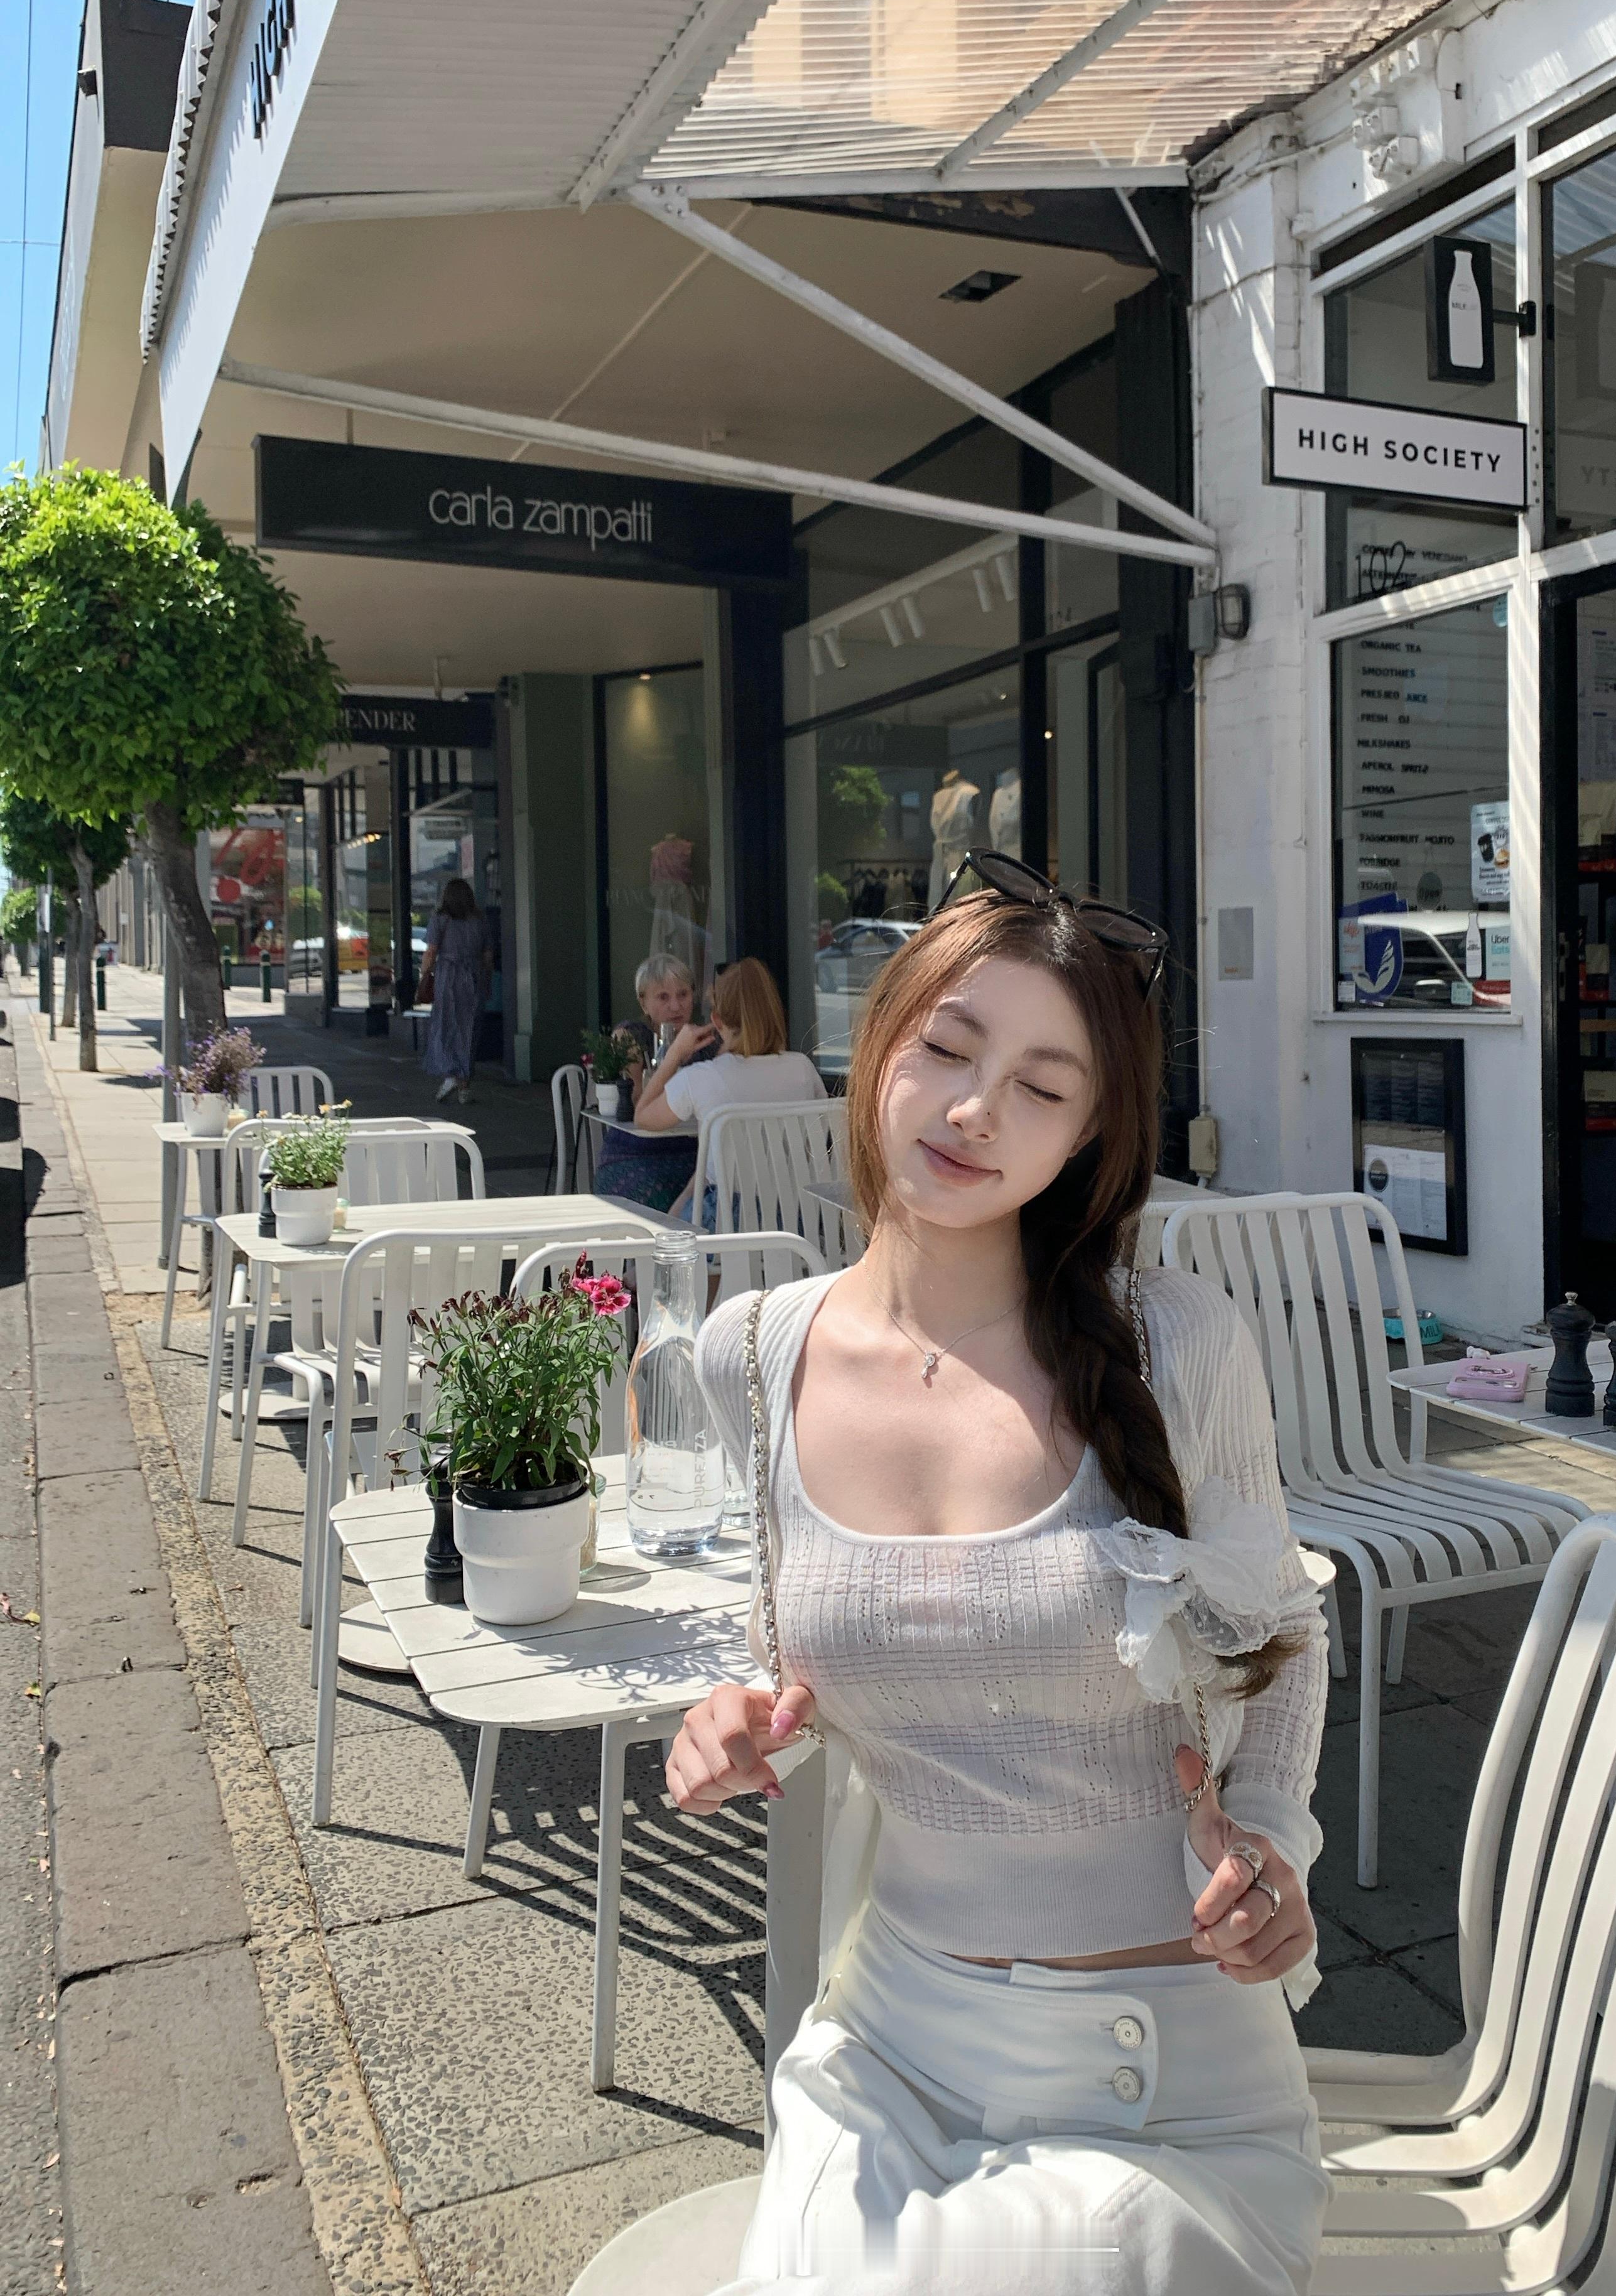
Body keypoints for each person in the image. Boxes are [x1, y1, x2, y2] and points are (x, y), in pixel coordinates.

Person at [667, 860, 1328, 2295]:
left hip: (1165, 2080)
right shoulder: (752, 1354)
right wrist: (735, 1717)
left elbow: (1284, 1628)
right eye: (950, 1048)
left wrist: (1272, 1842)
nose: (975, 1110)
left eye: (1041, 1087)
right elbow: (797, 1656)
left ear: (1090, 1135)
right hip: (889, 2050)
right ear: (877, 1045)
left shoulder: (1176, 1346)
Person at [634, 955, 825, 1220]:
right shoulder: (803, 1068)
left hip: (727, 1223)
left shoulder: (701, 1077)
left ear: (717, 1020)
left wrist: (674, 1055)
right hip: (795, 1219)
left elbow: (643, 1117)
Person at [592, 954, 703, 1211]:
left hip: (694, 1154)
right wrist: (674, 1057)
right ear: (643, 1002)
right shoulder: (631, 1036)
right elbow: (637, 1102)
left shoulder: (705, 1039)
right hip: (636, 1153)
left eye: (683, 995)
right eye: (663, 997)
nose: (675, 1006)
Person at [416, 879, 492, 1105]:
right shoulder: (480, 920)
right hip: (474, 977)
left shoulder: (440, 918)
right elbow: (488, 955)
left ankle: (450, 1075)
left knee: (447, 1026)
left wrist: (424, 974)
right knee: (470, 1029)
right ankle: (464, 1085)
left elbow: (431, 951)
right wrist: (486, 980)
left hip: (449, 977)